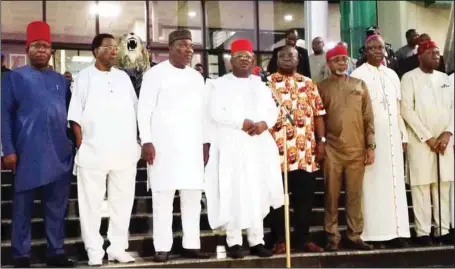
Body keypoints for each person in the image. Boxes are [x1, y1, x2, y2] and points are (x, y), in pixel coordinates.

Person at [1, 21, 75, 268]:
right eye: (37, 46)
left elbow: (70, 114)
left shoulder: (61, 81)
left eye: (46, 46)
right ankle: (20, 254)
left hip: (59, 154)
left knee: (56, 208)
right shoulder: (13, 78)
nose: (42, 50)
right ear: (27, 49)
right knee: (21, 209)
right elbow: (3, 116)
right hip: (25, 155)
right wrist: (8, 150)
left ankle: (55, 251)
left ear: (51, 50)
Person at [204, 38, 283, 259]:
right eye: (239, 57)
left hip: (257, 146)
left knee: (256, 192)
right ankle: (234, 241)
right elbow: (215, 111)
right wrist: (242, 122)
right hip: (232, 145)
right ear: (230, 60)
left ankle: (257, 240)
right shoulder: (218, 84)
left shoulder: (261, 84)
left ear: (253, 60)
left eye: (247, 57)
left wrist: (264, 123)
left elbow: (272, 111)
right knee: (233, 191)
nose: (243, 61)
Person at [138, 29, 210, 262]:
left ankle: (191, 244)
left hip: (191, 146)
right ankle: (162, 247)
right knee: (163, 197)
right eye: (183, 45)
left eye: (191, 46)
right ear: (170, 48)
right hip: (162, 146)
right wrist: (146, 139)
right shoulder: (154, 74)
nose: (189, 50)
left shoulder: (196, 77)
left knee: (192, 197)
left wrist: (205, 142)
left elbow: (204, 113)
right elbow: (144, 109)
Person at [67, 33, 140, 266]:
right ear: (95, 51)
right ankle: (94, 251)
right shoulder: (84, 77)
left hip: (124, 151)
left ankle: (118, 248)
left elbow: (135, 111)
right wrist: (81, 142)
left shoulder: (123, 78)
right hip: (93, 151)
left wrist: (137, 142)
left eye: (115, 47)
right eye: (108, 47)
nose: (114, 51)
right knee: (91, 205)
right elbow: (75, 116)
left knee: (123, 202)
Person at [350, 35, 411, 247]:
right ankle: (375, 234)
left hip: (394, 138)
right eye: (372, 48)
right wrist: (366, 143)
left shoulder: (393, 74)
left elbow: (398, 108)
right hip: (372, 140)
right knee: (373, 186)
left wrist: (403, 135)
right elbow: (357, 113)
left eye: (380, 47)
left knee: (396, 185)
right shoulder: (358, 75)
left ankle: (398, 232)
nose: (377, 50)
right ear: (365, 51)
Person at [266, 45, 326, 254]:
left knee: (305, 200)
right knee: (277, 200)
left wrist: (322, 141)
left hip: (305, 154)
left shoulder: (308, 83)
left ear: (298, 59)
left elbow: (318, 114)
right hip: (276, 153)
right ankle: (280, 239)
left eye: (290, 55)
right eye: (282, 56)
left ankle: (302, 239)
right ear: (277, 59)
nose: (286, 59)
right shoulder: (268, 83)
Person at [317, 45, 375, 251]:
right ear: (329, 64)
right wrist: (321, 143)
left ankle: (354, 234)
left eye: (344, 59)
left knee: (354, 195)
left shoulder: (360, 85)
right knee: (331, 196)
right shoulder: (321, 87)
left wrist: (371, 146)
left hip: (357, 150)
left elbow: (368, 118)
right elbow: (319, 118)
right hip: (332, 150)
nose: (341, 63)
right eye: (336, 60)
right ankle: (332, 237)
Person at [400, 40, 453, 245]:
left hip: (444, 142)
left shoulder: (444, 78)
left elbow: (452, 108)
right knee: (421, 186)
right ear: (420, 55)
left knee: (443, 185)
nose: (437, 56)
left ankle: (443, 229)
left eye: (438, 53)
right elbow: (407, 110)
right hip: (421, 142)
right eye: (432, 53)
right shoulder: (409, 78)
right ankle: (423, 232)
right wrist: (428, 137)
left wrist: (448, 133)